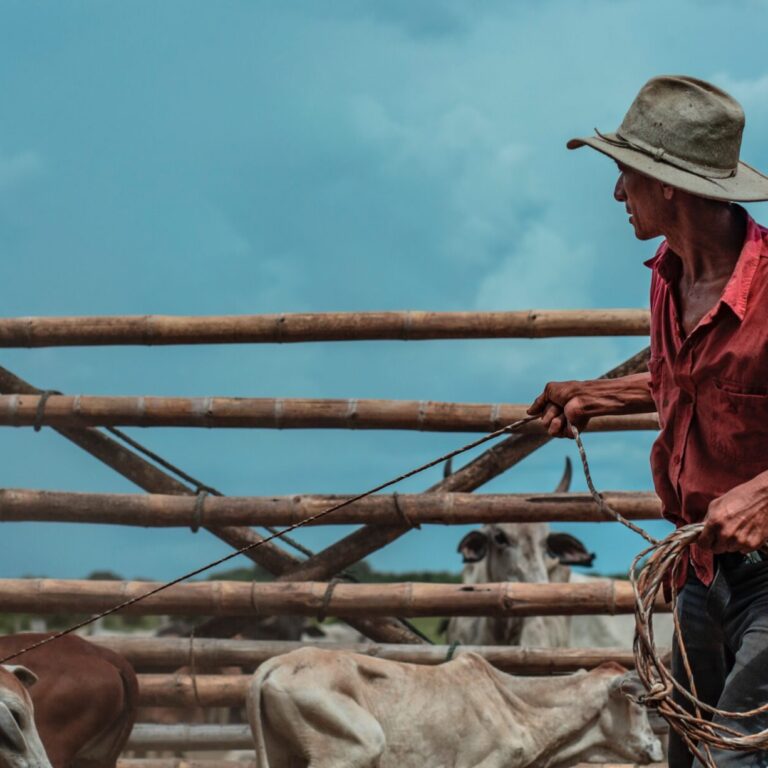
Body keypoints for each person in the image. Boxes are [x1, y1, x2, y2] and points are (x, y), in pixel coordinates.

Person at [528, 75, 768, 768]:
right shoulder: (668, 276)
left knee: (737, 757)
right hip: (700, 567)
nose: (615, 194)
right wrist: (596, 396)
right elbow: (697, 384)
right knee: (690, 754)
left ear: (668, 184)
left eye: (624, 175)